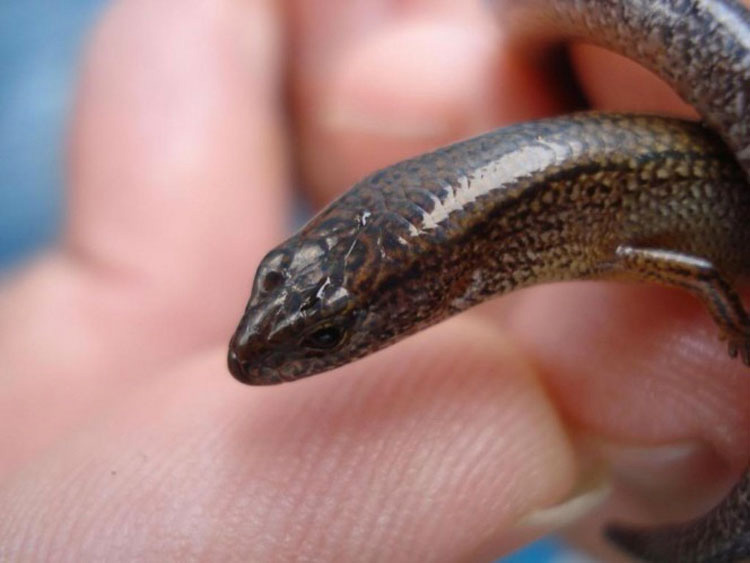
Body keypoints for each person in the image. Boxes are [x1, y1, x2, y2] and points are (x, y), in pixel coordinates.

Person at [0, 0, 747, 560]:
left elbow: (677, 262)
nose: (255, 355)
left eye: (328, 336)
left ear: (424, 293)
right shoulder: (505, 251)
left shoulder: (529, 247)